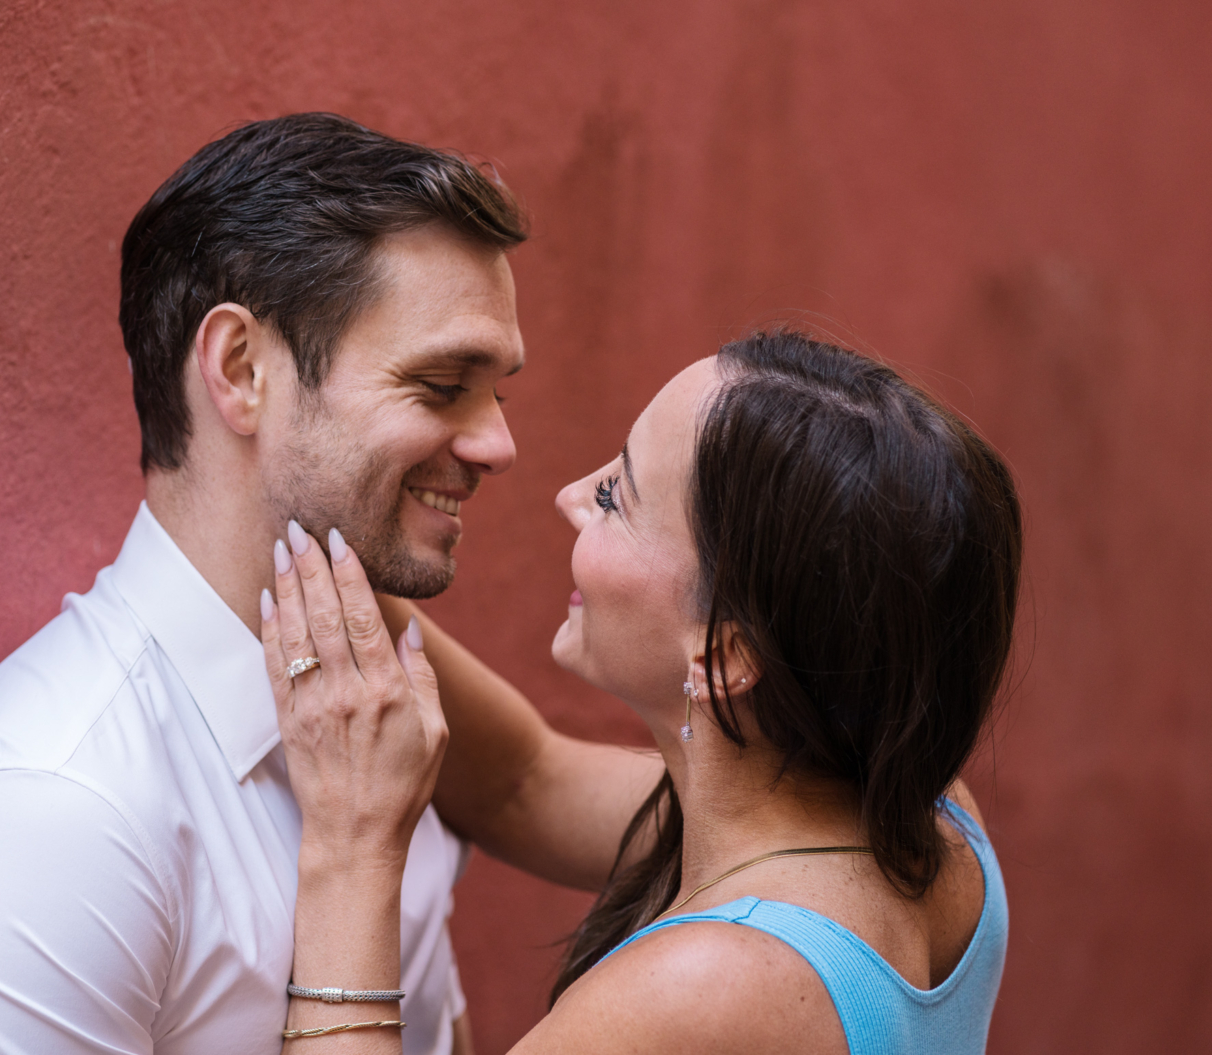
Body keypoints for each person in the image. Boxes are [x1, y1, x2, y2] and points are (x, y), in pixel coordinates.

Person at [0, 113, 527, 1054]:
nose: (500, 443)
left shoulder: (375, 694)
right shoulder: (41, 819)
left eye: (500, 392)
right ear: (243, 371)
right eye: (442, 384)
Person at [263, 331, 1021, 1053]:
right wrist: (305, 523)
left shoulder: (707, 986)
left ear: (723, 655)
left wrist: (352, 847)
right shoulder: (932, 822)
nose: (569, 494)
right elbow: (525, 782)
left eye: (614, 499)